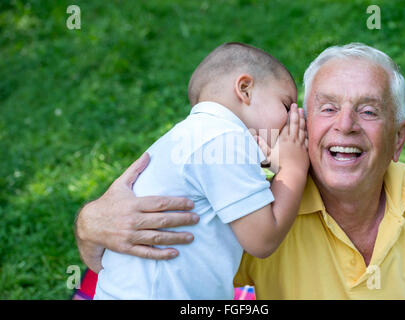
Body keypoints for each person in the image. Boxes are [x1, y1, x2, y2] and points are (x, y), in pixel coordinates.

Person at [75, 43, 405, 299]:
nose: (346, 125)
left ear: (398, 139)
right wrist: (89, 223)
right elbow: (145, 255)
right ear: (304, 123)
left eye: (368, 111)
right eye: (327, 108)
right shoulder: (258, 202)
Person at [92, 42, 309, 299]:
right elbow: (262, 239)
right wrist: (294, 167)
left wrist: (274, 165)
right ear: (245, 89)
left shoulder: (196, 137)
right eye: (286, 106)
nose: (291, 120)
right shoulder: (223, 140)